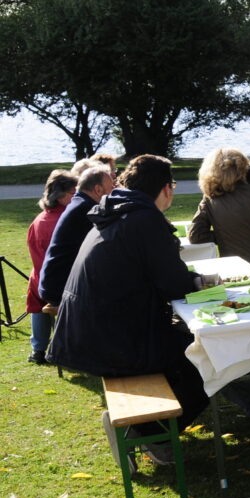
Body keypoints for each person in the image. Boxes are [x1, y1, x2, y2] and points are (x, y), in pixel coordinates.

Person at [47, 155, 212, 468]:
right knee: (209, 359)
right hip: (112, 339)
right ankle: (148, 433)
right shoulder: (143, 219)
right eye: (173, 186)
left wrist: (188, 281)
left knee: (187, 350)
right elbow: (174, 285)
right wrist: (200, 283)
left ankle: (146, 428)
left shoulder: (118, 210)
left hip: (91, 331)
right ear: (165, 189)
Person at [38, 163, 117, 310]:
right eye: (112, 187)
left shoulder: (80, 202)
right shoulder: (87, 209)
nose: (115, 191)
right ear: (98, 190)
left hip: (56, 283)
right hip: (61, 288)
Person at [25, 170, 77, 364]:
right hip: (57, 281)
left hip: (40, 275)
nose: (77, 196)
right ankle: (64, 349)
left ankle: (37, 350)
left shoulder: (39, 218)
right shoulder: (64, 220)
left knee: (38, 297)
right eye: (74, 192)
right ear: (61, 195)